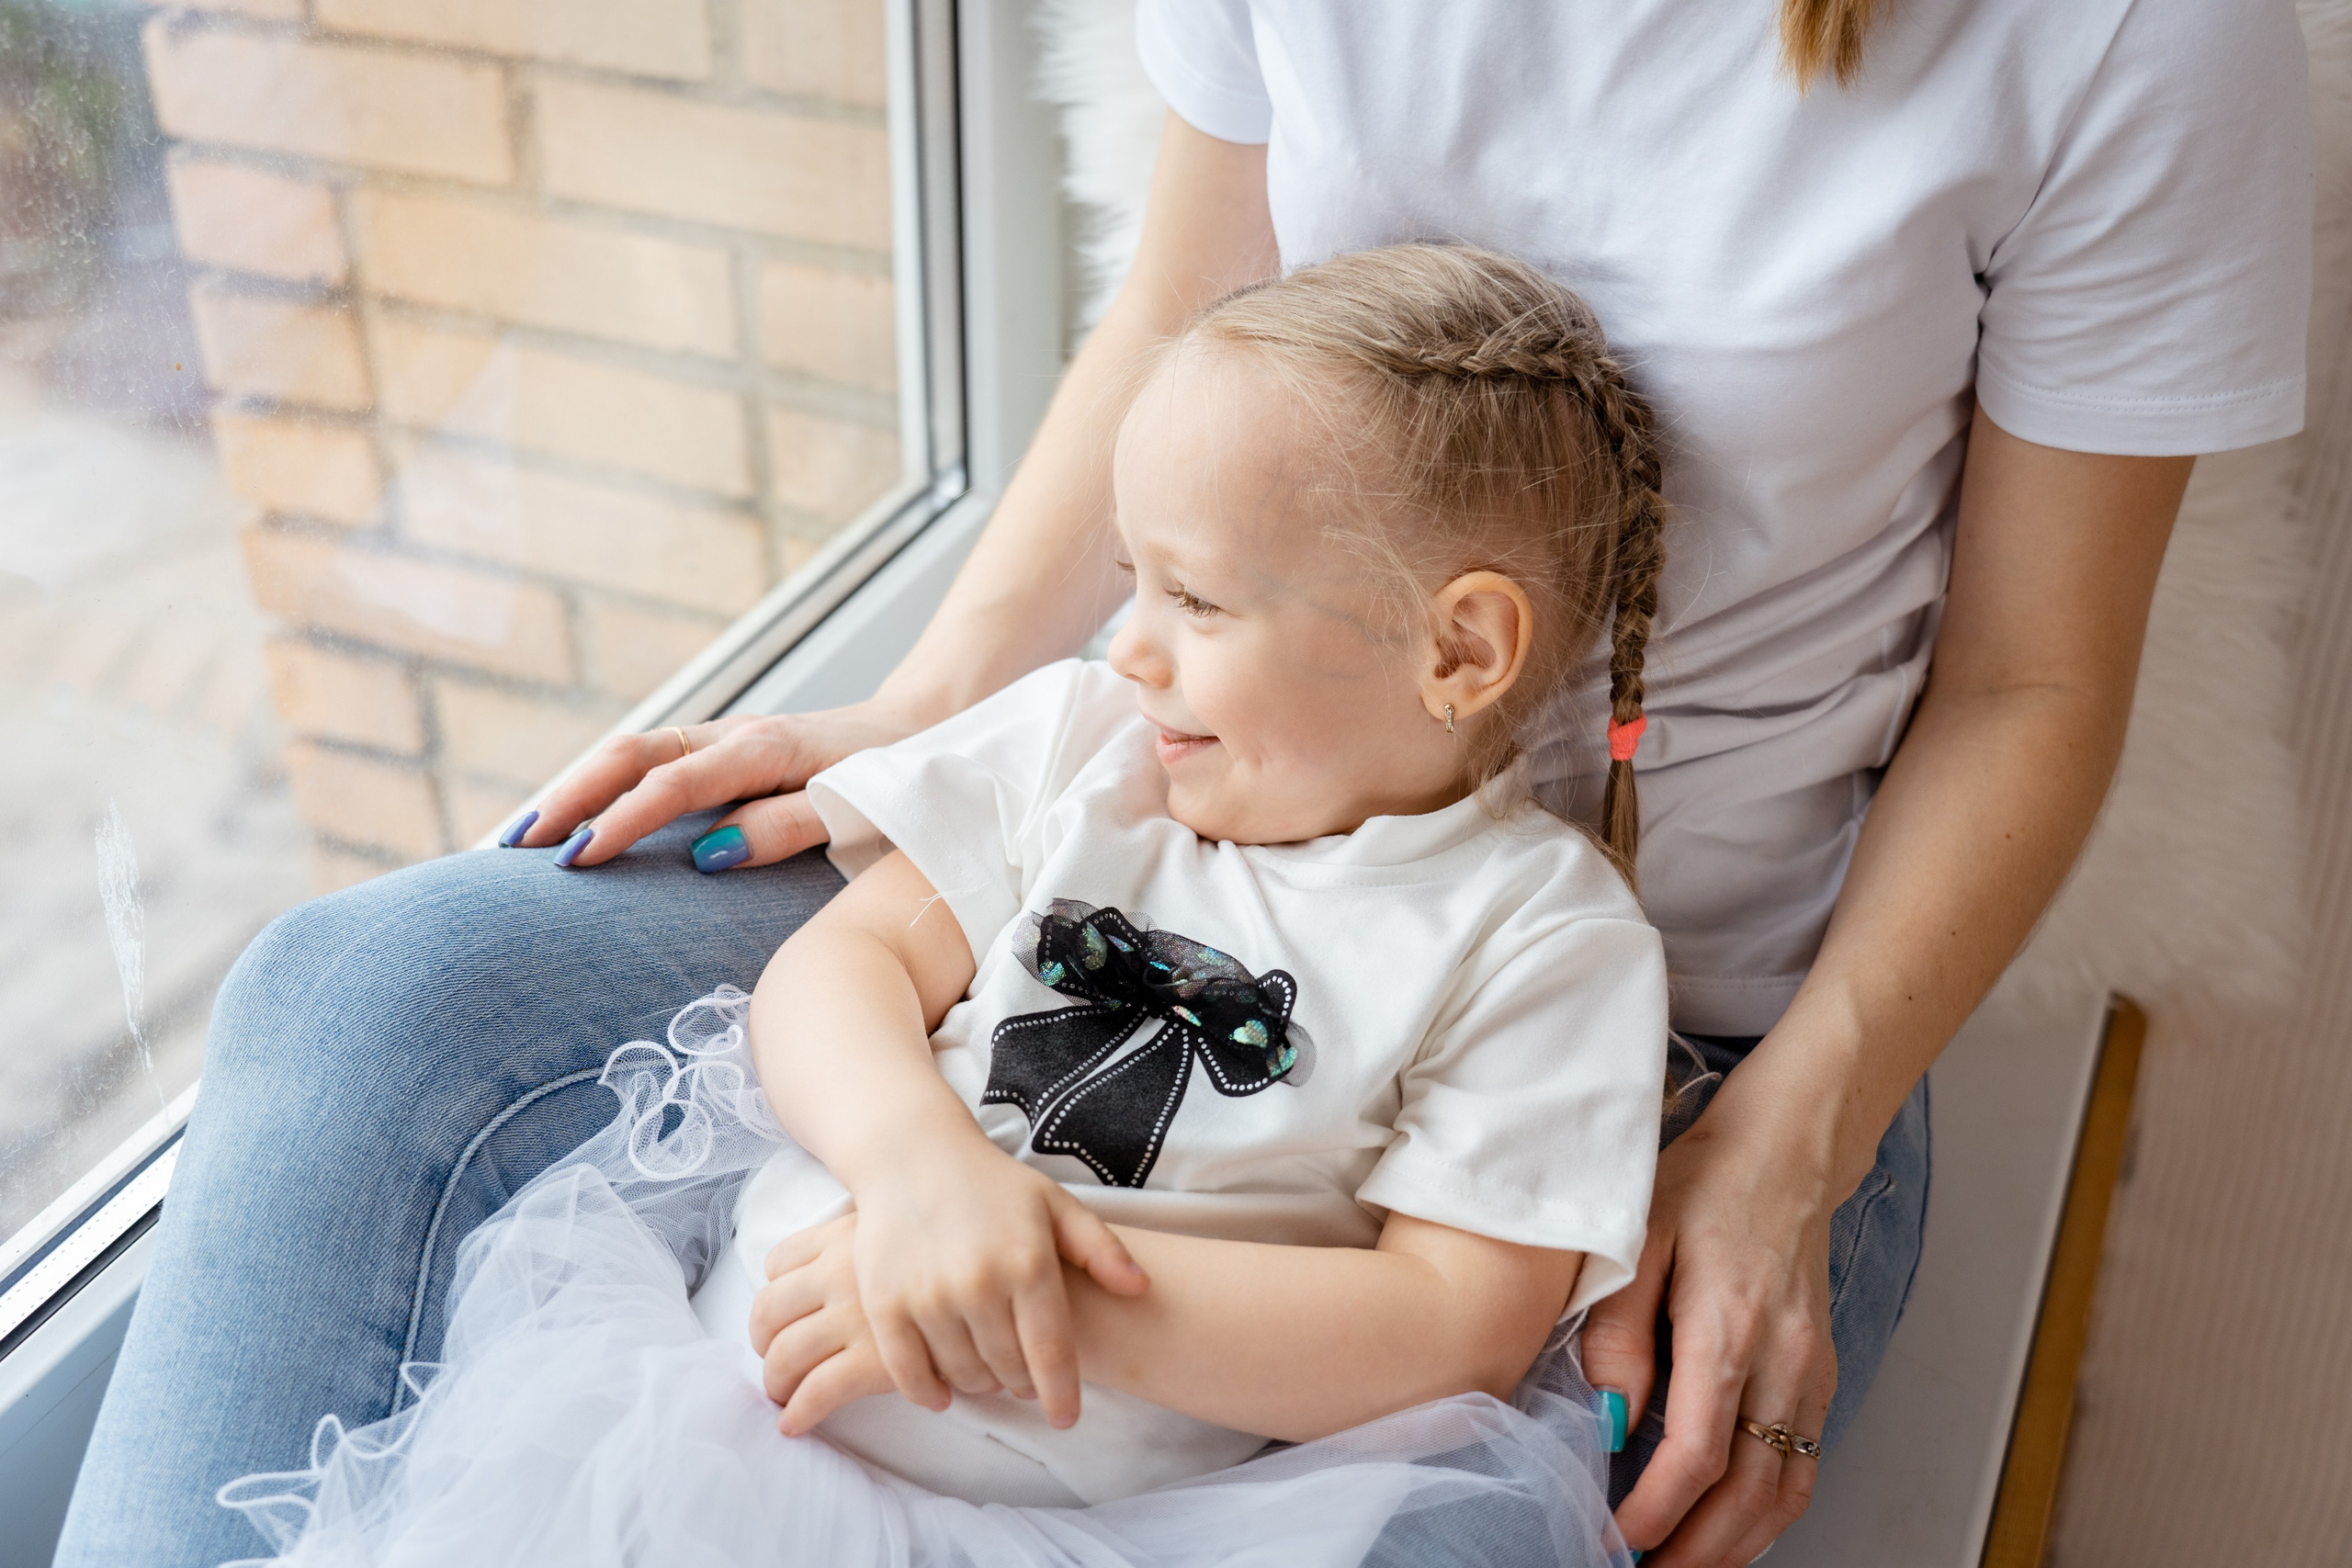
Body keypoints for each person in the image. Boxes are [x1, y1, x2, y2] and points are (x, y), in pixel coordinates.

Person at [58, 3, 2309, 1565]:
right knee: (382, 993)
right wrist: (929, 719)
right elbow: (1177, 325)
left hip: (1681, 1056)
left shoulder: (2117, 28)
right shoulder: (1103, 745)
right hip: (1171, 841)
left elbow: (2029, 676)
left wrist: (1782, 1148)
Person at [215, 245, 1669, 1566]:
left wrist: (1040, 1294)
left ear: (1461, 647)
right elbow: (840, 970)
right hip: (714, 1433)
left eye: (1200, 603)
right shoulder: (1080, 745)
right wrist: (925, 1176)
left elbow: (1447, 1329)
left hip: (1082, 1528)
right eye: (1131, 582)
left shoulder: (1546, 938)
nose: (1133, 646)